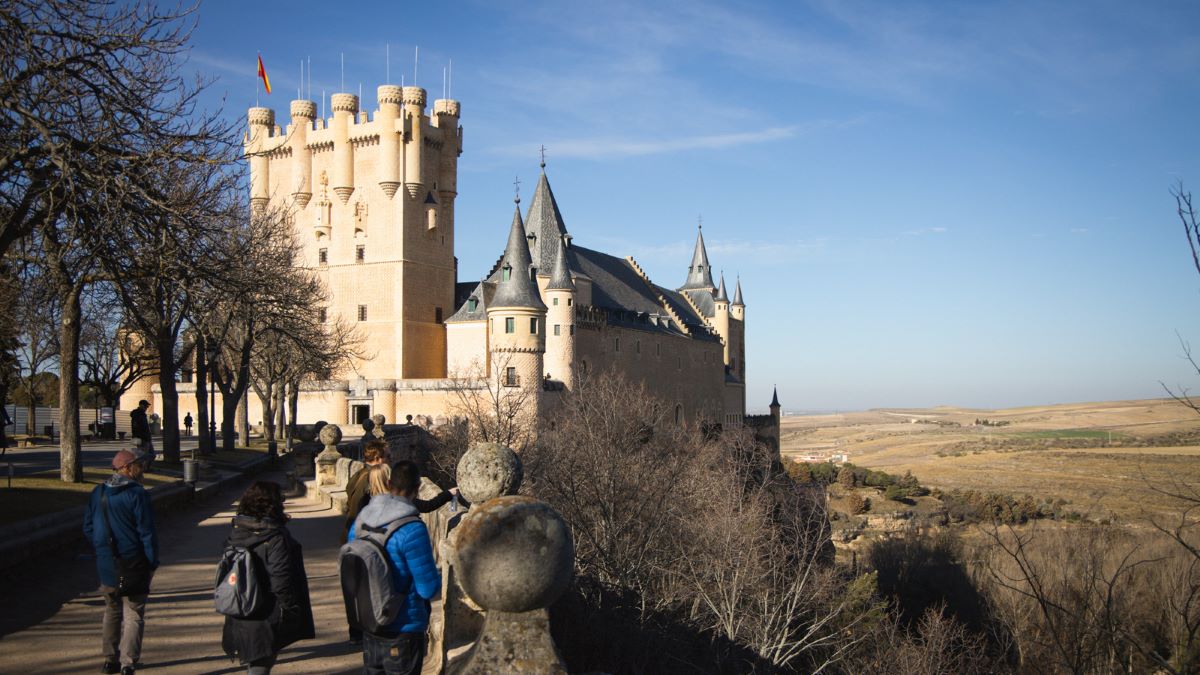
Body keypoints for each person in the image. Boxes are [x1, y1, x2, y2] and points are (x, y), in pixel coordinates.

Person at [348, 460, 441, 675]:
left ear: (389, 483)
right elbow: (427, 589)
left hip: (370, 621)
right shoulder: (412, 529)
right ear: (417, 489)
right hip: (404, 626)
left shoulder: (361, 522)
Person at [221, 481, 315, 674]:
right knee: (260, 665)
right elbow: (281, 578)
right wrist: (290, 608)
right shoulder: (274, 537)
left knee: (254, 663)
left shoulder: (237, 532)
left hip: (240, 606)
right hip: (265, 611)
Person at [83, 449, 159, 675]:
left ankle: (109, 659)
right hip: (134, 561)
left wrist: (102, 548)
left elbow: (88, 527)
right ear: (127, 468)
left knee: (112, 609)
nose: (142, 469)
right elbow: (147, 533)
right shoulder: (137, 494)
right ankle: (128, 663)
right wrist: (152, 561)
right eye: (139, 465)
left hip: (107, 562)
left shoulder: (98, 492)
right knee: (134, 612)